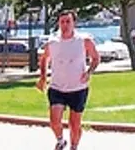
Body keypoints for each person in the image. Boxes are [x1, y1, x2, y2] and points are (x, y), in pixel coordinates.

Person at [37, 10, 101, 150]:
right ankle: (60, 141)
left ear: (74, 23)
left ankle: (74, 146)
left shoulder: (84, 41)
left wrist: (89, 72)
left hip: (78, 88)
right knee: (54, 120)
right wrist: (43, 77)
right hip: (57, 87)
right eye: (62, 22)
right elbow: (44, 59)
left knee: (75, 123)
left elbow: (95, 58)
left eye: (68, 21)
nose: (65, 25)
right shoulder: (53, 42)